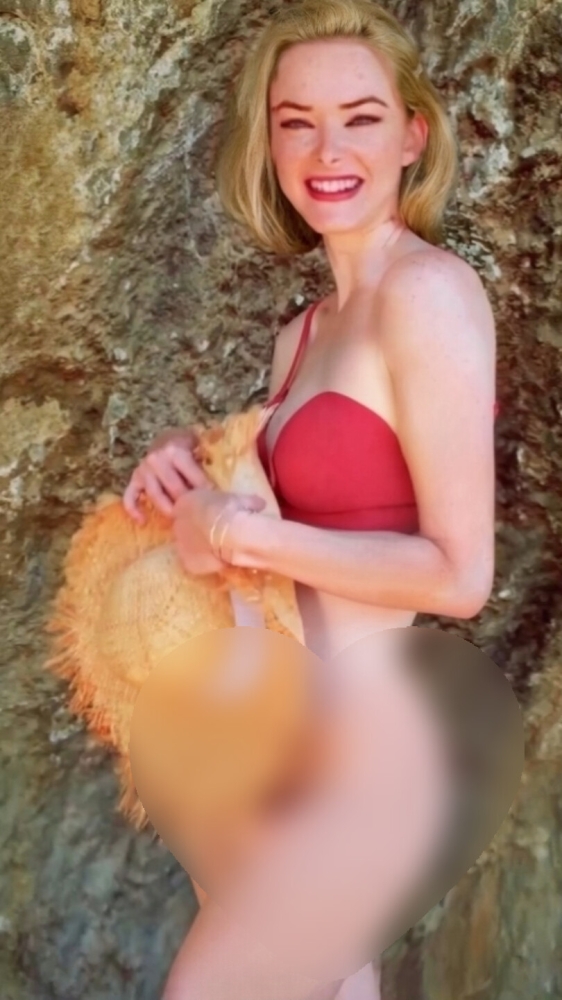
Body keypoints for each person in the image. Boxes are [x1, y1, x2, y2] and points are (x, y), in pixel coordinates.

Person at [122, 0, 499, 995]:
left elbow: (459, 575)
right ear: (271, 141)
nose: (327, 150)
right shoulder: (304, 333)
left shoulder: (429, 295)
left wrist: (243, 537)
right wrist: (189, 460)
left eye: (360, 118)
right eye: (297, 122)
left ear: (412, 134)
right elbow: (298, 500)